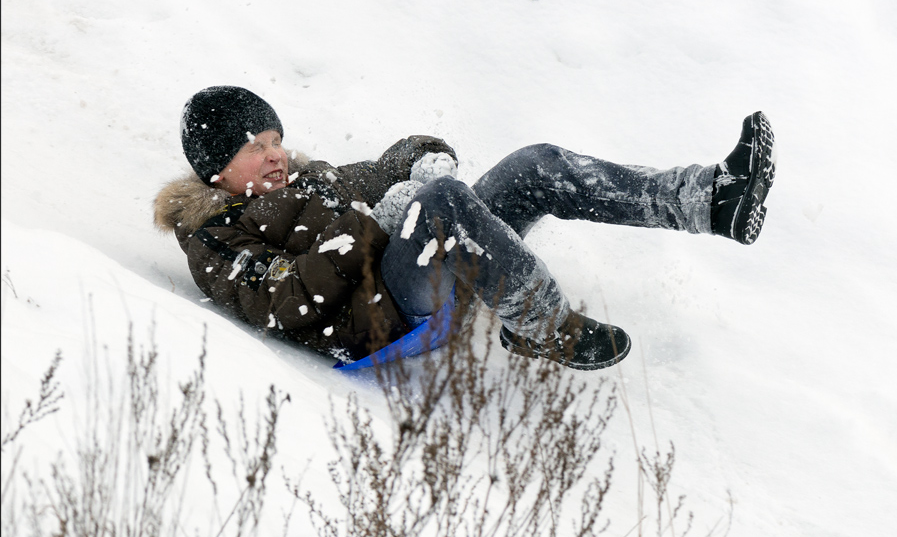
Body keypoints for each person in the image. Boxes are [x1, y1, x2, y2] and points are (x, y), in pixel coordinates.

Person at [154, 86, 775, 370]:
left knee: (533, 166)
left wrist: (425, 153)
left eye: (277, 139)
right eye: (254, 146)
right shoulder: (213, 236)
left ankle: (707, 200)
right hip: (375, 328)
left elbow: (387, 166)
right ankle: (543, 328)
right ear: (216, 171)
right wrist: (373, 225)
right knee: (443, 204)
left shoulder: (316, 182)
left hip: (421, 275)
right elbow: (285, 302)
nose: (276, 154)